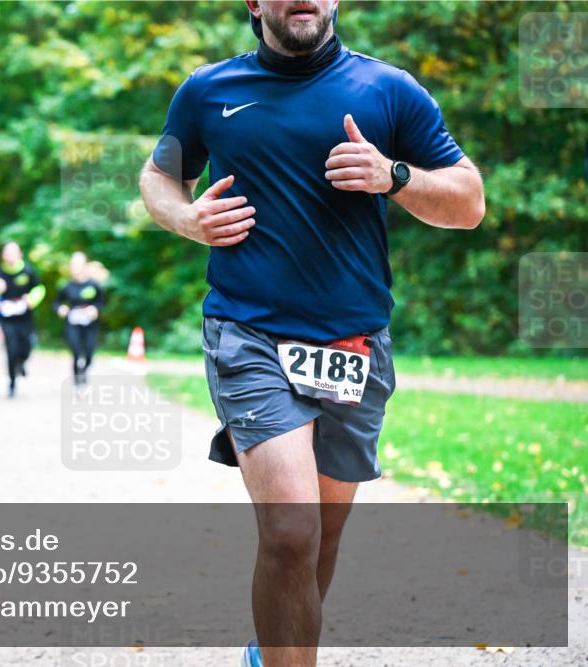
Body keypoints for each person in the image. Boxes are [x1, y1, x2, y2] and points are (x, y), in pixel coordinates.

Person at [138, 2, 485, 666]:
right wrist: (187, 220)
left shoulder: (388, 90)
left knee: (319, 539)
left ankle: (269, 653)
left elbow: (469, 201)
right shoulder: (210, 90)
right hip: (249, 334)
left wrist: (395, 176)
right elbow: (161, 176)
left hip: (354, 345)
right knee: (291, 530)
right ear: (253, 3)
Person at [0, 242, 45, 398]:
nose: (10, 256)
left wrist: (32, 299)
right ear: (3, 255)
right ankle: (12, 383)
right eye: (7, 253)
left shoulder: (28, 271)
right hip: (6, 318)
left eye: (13, 252)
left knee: (26, 346)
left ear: (20, 254)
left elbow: (39, 288)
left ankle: (22, 362)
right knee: (11, 349)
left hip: (25, 317)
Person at [54, 251, 105, 386]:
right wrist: (61, 309)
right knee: (76, 351)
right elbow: (57, 303)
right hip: (72, 323)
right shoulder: (67, 286)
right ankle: (78, 379)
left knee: (89, 353)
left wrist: (95, 309)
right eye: (73, 265)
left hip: (90, 324)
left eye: (79, 265)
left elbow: (102, 302)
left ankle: (83, 370)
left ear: (85, 266)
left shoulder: (94, 285)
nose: (76, 268)